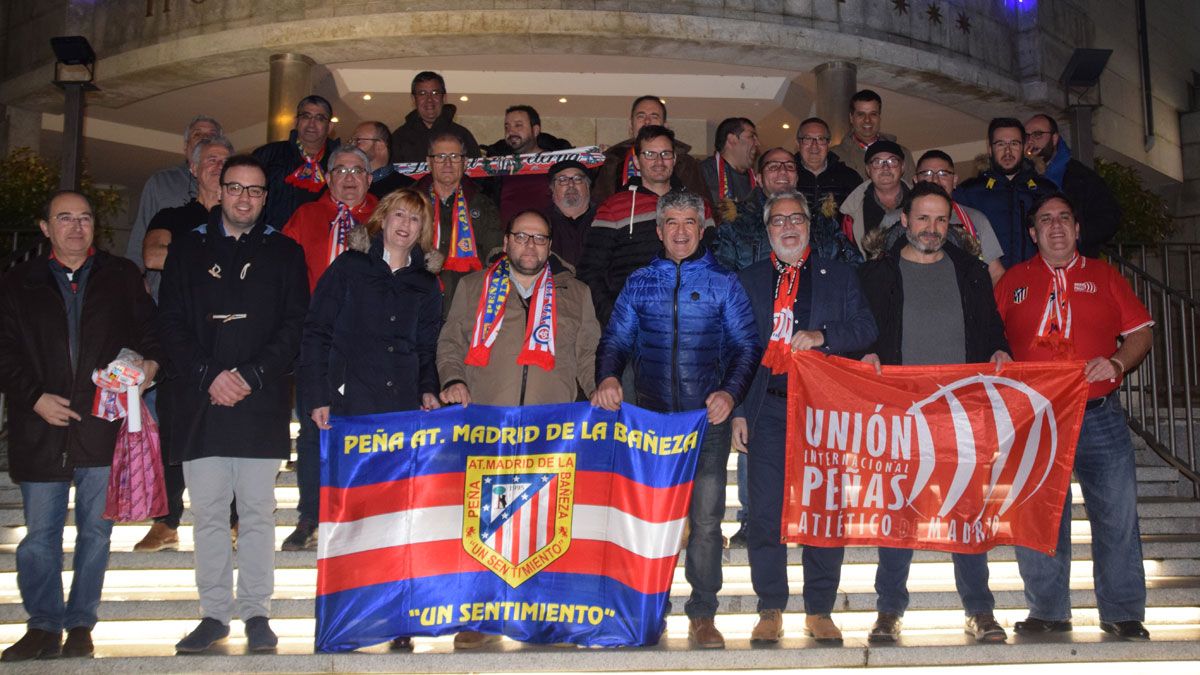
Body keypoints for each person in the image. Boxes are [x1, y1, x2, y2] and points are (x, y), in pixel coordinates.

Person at [592, 190, 760, 650]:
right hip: (651, 425)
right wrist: (607, 376)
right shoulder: (639, 282)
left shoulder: (725, 282)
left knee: (706, 522)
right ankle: (653, 609)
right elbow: (615, 341)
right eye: (672, 223)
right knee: (654, 522)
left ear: (702, 228)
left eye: (690, 222)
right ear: (659, 229)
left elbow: (747, 346)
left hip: (706, 422)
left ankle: (703, 614)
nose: (681, 231)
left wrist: (730, 392)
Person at [157, 155, 309, 654]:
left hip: (260, 399)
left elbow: (294, 326)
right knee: (208, 513)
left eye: (256, 191)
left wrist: (250, 375)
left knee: (260, 514)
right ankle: (214, 614)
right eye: (236, 188)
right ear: (220, 191)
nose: (245, 198)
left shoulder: (286, 252)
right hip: (201, 399)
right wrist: (209, 376)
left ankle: (257, 612)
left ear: (266, 198)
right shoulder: (186, 249)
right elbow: (171, 324)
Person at [0, 191, 160, 662]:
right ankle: (43, 625)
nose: (76, 227)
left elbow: (151, 333)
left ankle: (81, 624)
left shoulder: (121, 276)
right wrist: (33, 399)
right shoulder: (17, 282)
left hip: (101, 427)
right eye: (64, 218)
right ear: (45, 227)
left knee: (97, 534)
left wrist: (150, 366)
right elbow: (4, 350)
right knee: (38, 539)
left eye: (84, 218)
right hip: (41, 427)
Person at [857, 181, 1012, 644]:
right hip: (900, 416)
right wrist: (866, 352)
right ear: (903, 220)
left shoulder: (971, 271)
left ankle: (980, 611)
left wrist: (1001, 348)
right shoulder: (876, 274)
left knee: (967, 511)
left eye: (941, 219)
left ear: (952, 223)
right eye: (922, 218)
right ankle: (888, 611)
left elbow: (992, 328)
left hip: (961, 416)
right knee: (897, 513)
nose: (932, 228)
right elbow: (863, 331)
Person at [437, 209, 600, 648]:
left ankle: (543, 615)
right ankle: (480, 617)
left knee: (544, 528)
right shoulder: (474, 287)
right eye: (522, 237)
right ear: (506, 240)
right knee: (483, 528)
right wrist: (452, 379)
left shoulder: (575, 292)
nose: (530, 246)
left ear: (551, 247)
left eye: (540, 239)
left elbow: (588, 354)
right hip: (489, 427)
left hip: (552, 431)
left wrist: (600, 389)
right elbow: (450, 341)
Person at [995, 192, 1153, 641]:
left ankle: (1122, 612)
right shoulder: (1012, 281)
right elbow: (989, 331)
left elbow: (1141, 332)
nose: (1057, 226)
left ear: (1078, 229)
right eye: (1046, 220)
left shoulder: (1104, 275)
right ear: (1032, 233)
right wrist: (996, 349)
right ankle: (1047, 610)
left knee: (1117, 515)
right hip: (1036, 417)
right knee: (1039, 515)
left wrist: (1118, 363)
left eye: (1065, 218)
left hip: (1098, 413)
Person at [299, 188, 444, 650]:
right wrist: (319, 393)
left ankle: (399, 620)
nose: (405, 225)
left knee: (400, 519)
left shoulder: (426, 284)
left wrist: (427, 390)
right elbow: (316, 332)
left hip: (403, 412)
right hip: (351, 409)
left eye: (415, 220)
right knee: (355, 517)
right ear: (382, 219)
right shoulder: (348, 268)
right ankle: (352, 616)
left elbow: (427, 348)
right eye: (398, 214)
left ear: (424, 231)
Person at [733, 190, 877, 644]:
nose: (789, 227)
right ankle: (770, 606)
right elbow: (733, 349)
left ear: (809, 227)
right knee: (764, 513)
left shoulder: (839, 276)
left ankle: (819, 609)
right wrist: (738, 409)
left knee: (825, 511)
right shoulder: (750, 279)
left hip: (823, 411)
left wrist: (823, 336)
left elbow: (866, 328)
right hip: (767, 407)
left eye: (797, 219)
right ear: (768, 230)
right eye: (779, 221)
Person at [133, 134, 236, 554]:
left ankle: (233, 518)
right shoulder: (174, 215)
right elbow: (154, 254)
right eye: (209, 160)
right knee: (174, 430)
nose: (217, 166)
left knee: (230, 430)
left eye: (224, 161)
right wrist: (212, 253)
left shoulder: (244, 217)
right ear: (193, 169)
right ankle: (167, 520)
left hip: (231, 339)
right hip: (180, 338)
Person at [280, 145, 379, 551]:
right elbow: (283, 277)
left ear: (370, 179)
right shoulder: (305, 217)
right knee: (311, 431)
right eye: (340, 169)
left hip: (369, 343)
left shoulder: (386, 216)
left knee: (364, 429)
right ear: (328, 177)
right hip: (318, 340)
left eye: (358, 170)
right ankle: (310, 514)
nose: (350, 177)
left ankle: (359, 515)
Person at [578, 125, 714, 326]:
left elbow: (713, 262)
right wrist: (613, 315)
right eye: (650, 154)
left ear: (674, 159)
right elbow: (590, 271)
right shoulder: (613, 206)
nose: (659, 161)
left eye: (665, 154)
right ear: (636, 161)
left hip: (690, 321)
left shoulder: (698, 205)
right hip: (632, 323)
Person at [716, 147, 860, 273]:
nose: (783, 171)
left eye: (790, 166)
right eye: (773, 166)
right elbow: (722, 277)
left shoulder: (820, 220)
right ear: (759, 178)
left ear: (796, 178)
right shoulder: (737, 223)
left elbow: (852, 266)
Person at [125, 114, 222, 297]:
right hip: (164, 290)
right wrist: (134, 282)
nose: (205, 138)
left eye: (212, 135)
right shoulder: (161, 182)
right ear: (186, 148)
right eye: (197, 134)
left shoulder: (232, 188)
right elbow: (140, 237)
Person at [879, 150, 1006, 284]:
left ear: (955, 180)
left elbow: (996, 273)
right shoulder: (894, 219)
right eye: (927, 173)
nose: (935, 180)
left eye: (943, 174)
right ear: (915, 180)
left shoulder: (975, 219)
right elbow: (879, 273)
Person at [413, 132, 503, 311]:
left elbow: (496, 258)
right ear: (429, 161)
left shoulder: (483, 204)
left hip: (467, 306)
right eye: (440, 156)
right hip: (416, 301)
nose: (447, 163)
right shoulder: (410, 202)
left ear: (465, 162)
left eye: (454, 156)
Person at [954, 118, 1057, 269]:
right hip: (987, 285)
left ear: (1024, 147)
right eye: (1000, 144)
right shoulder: (969, 192)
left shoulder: (1046, 191)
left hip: (1037, 282)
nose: (1007, 151)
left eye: (1014, 144)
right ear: (990, 149)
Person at [1024, 114, 1120, 256]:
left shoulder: (1082, 177)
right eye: (1026, 136)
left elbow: (1108, 217)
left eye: (1038, 134)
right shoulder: (1021, 177)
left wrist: (1074, 237)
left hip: (1076, 262)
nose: (1031, 141)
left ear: (1055, 138)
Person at [591, 95, 707, 203]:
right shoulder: (611, 162)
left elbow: (702, 207)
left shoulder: (687, 164)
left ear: (665, 125)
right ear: (631, 125)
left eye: (654, 116)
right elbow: (599, 206)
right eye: (641, 116)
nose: (647, 121)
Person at [252, 95, 339, 229]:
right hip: (272, 238)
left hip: (324, 240)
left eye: (320, 118)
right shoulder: (269, 155)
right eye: (306, 116)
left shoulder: (339, 161)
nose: (311, 123)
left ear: (330, 126)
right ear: (296, 121)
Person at [481, 104, 572, 224]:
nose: (511, 131)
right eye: (507, 127)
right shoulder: (497, 165)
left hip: (549, 237)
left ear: (535, 130)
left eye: (518, 125)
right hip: (507, 238)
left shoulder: (559, 162)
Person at [390, 71, 481, 163]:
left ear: (444, 97)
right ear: (414, 99)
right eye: (422, 93)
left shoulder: (462, 135)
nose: (429, 99)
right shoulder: (399, 138)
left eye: (435, 93)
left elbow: (477, 173)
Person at [840, 140, 909, 257]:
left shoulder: (921, 201)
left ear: (902, 167)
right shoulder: (852, 211)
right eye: (877, 162)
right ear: (868, 170)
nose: (885, 167)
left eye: (892, 161)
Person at [828, 90, 916, 179]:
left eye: (873, 114)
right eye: (861, 114)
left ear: (879, 117)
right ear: (851, 118)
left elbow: (913, 191)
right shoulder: (835, 156)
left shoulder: (902, 154)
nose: (867, 120)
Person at [794, 117, 862, 215]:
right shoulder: (786, 176)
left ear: (828, 143)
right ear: (798, 143)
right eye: (807, 139)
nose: (814, 146)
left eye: (821, 139)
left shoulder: (849, 177)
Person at [700, 117, 759, 222]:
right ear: (732, 139)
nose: (757, 143)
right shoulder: (703, 172)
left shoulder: (756, 180)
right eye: (752, 136)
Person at [546, 160, 595, 268]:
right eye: (563, 180)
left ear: (588, 186)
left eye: (578, 179)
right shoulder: (542, 223)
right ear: (552, 189)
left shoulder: (606, 219)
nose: (571, 184)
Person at [351, 120, 415, 199]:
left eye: (358, 141)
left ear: (379, 146)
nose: (352, 147)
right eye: (351, 141)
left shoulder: (408, 189)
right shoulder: (347, 183)